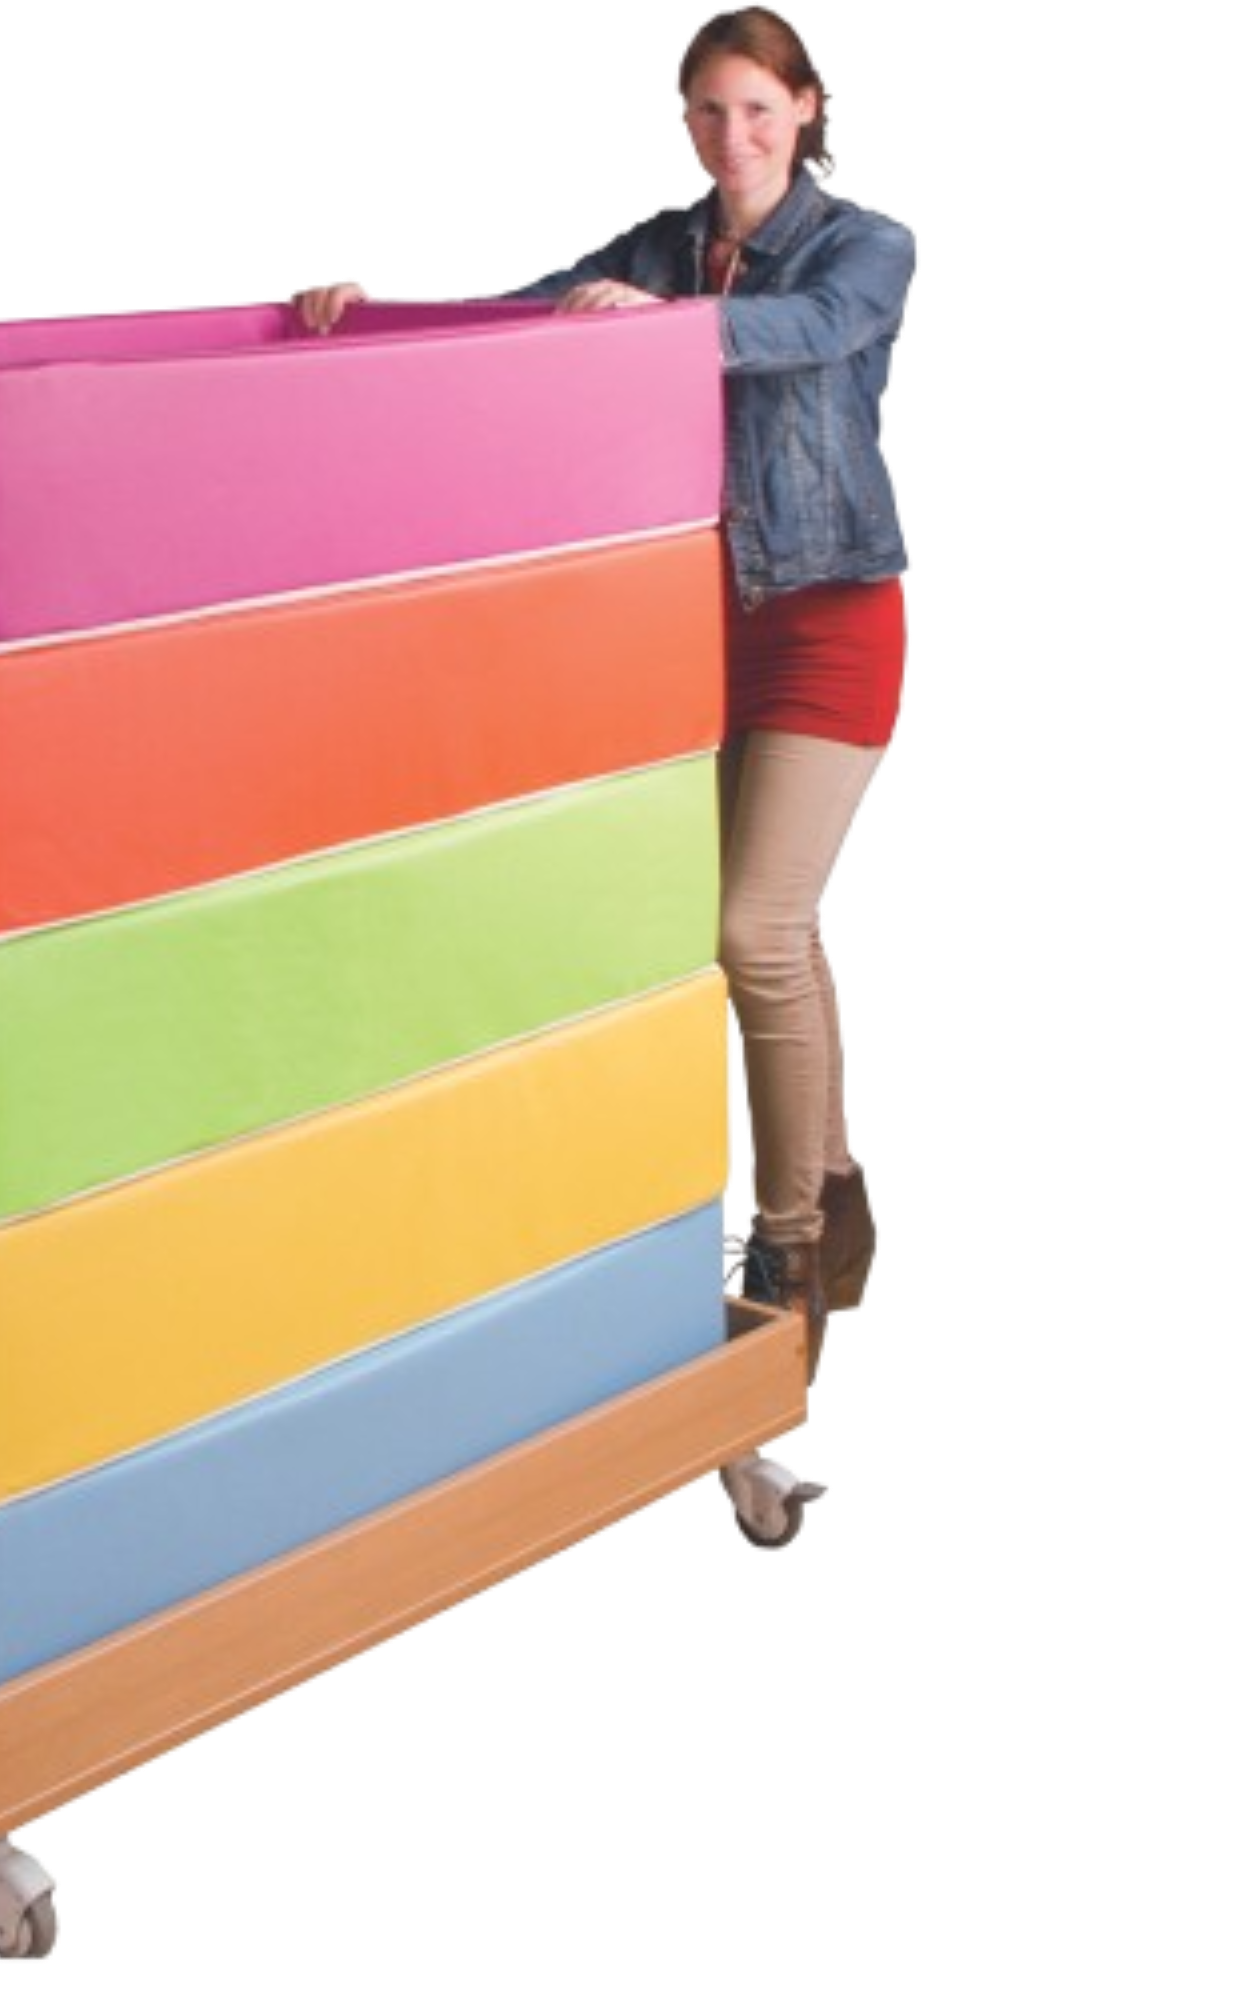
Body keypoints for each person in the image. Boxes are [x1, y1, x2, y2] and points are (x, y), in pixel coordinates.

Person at [289, 4, 915, 1387]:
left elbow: (806, 332)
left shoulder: (868, 245)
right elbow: (521, 317)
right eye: (709, 113)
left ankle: (788, 1244)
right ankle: (837, 1180)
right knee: (775, 929)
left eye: (757, 111)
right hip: (698, 635)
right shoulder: (666, 244)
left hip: (830, 621)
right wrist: (365, 314)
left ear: (807, 111)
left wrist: (660, 330)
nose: (733, 138)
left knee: (753, 928)